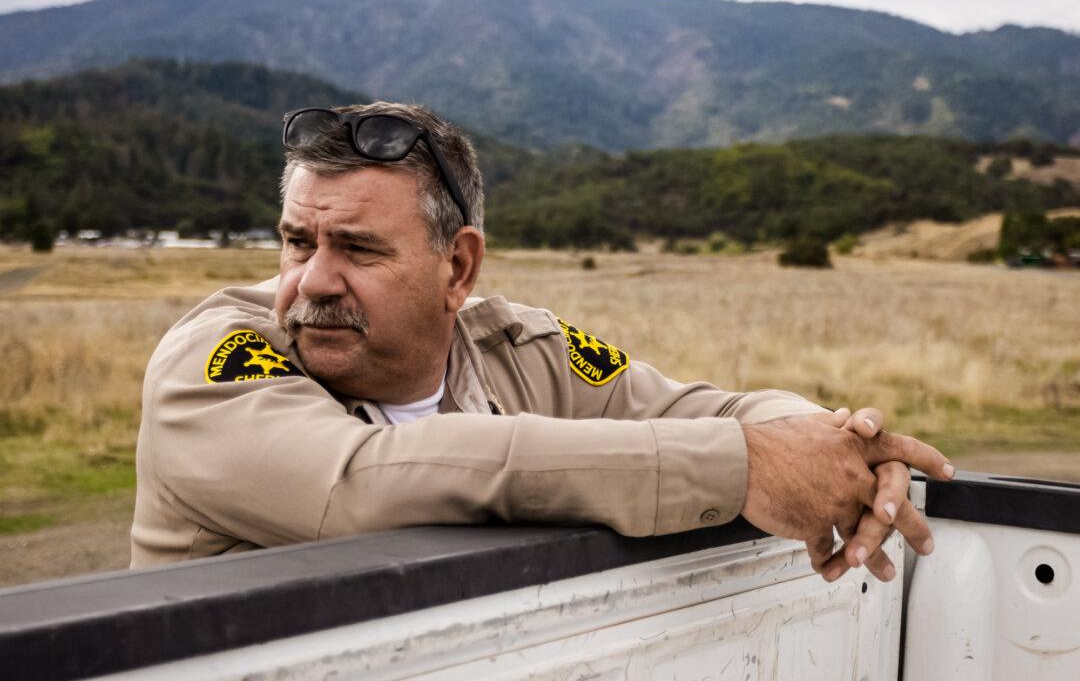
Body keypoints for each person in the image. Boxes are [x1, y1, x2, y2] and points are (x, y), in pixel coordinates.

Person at [131, 102, 954, 584]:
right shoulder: (212, 364)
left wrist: (826, 444)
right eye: (297, 242)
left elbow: (713, 409)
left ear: (458, 267)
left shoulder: (521, 347)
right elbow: (359, 486)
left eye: (357, 249)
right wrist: (741, 465)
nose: (312, 281)